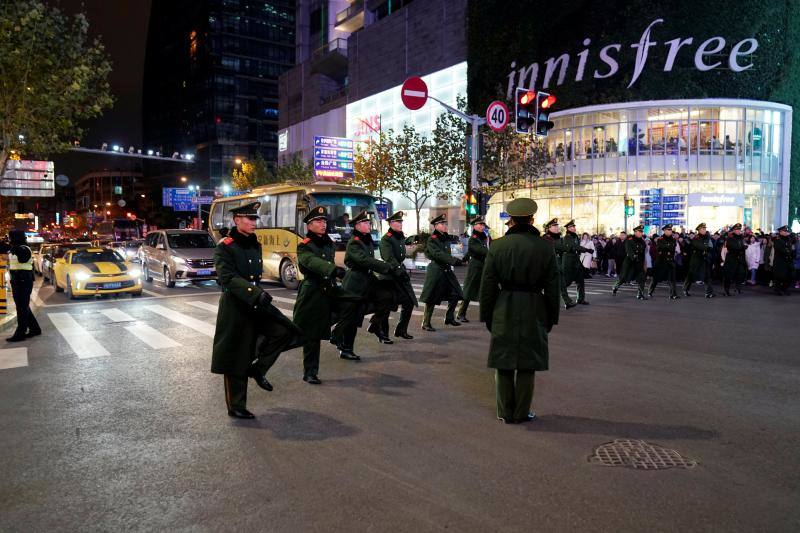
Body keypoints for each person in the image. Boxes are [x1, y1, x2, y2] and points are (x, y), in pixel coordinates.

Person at [211, 202, 305, 419]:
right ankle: (236, 405)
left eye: (255, 219)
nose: (254, 223)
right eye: (249, 219)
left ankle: (258, 369)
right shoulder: (225, 246)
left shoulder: (254, 244)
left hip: (255, 303)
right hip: (236, 307)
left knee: (284, 331)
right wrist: (254, 292)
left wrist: (257, 294)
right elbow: (227, 277)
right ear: (236, 220)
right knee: (236, 355)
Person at [479, 198, 559, 424]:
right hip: (534, 306)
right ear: (532, 220)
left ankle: (505, 411)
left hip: (504, 305)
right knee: (527, 363)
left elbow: (488, 286)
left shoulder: (497, 246)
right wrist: (552, 316)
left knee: (503, 361)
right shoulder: (545, 247)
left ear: (511, 220)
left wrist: (487, 315)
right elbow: (553, 286)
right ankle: (522, 412)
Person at [332, 210, 401, 358]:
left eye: (368, 222)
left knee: (387, 297)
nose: (368, 224)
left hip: (367, 279)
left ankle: (375, 325)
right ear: (357, 225)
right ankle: (345, 347)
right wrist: (385, 266)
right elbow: (364, 260)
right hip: (355, 282)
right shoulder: (354, 243)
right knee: (353, 316)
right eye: (365, 222)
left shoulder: (365, 239)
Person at [293, 206, 347, 385]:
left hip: (329, 289)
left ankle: (336, 335)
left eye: (324, 221)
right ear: (309, 225)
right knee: (311, 336)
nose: (323, 224)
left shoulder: (328, 242)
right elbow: (312, 262)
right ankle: (310, 372)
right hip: (313, 291)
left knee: (354, 303)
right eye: (318, 221)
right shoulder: (304, 246)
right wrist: (333, 270)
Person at [375, 210, 417, 339]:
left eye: (401, 221)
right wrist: (400, 270)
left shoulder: (400, 238)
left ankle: (401, 330)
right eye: (398, 222)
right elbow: (389, 258)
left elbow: (400, 256)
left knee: (409, 302)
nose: (400, 223)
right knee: (386, 306)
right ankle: (383, 333)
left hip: (399, 273)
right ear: (391, 223)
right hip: (389, 275)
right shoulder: (386, 239)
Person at [420, 214, 464, 331]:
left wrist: (460, 257)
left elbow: (452, 252)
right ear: (436, 226)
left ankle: (449, 318)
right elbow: (437, 254)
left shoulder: (446, 238)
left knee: (455, 294)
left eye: (446, 224)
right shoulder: (432, 239)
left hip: (447, 270)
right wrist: (454, 260)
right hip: (436, 271)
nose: (445, 226)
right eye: (442, 224)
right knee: (432, 298)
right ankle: (426, 323)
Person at [6, 230, 41, 342]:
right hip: (16, 280)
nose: (9, 239)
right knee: (23, 306)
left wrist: (14, 249)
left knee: (21, 307)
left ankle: (20, 333)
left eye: (11, 237)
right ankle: (35, 329)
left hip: (24, 280)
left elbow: (23, 259)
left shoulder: (24, 248)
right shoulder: (14, 248)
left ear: (16, 238)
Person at [457, 215, 490, 322]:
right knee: (469, 290)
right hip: (475, 267)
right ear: (474, 226)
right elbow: (479, 250)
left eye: (483, 224)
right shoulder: (473, 239)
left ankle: (485, 314)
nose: (482, 226)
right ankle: (461, 313)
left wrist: (464, 259)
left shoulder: (483, 237)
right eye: (480, 224)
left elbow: (470, 252)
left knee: (483, 290)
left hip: (483, 266)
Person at [541, 218, 574, 308]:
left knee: (562, 284)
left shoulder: (558, 238)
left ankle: (567, 301)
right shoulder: (546, 238)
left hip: (558, 265)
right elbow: (559, 248)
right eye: (554, 226)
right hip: (549, 266)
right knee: (547, 287)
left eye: (557, 226)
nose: (556, 228)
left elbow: (564, 248)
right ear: (548, 228)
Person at [556, 220, 590, 306]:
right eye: (572, 227)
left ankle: (580, 299)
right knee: (566, 282)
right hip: (569, 262)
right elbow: (574, 247)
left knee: (580, 281)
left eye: (574, 226)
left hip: (576, 262)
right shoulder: (567, 237)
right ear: (568, 228)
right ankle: (552, 293)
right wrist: (586, 250)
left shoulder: (574, 236)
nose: (574, 228)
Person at [612, 225, 648, 299]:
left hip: (639, 262)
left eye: (641, 232)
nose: (641, 233)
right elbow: (629, 250)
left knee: (641, 278)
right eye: (639, 231)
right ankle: (615, 286)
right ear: (635, 232)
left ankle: (640, 294)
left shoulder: (642, 242)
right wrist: (633, 256)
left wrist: (644, 262)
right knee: (623, 278)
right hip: (629, 262)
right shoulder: (630, 240)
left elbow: (643, 253)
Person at [683, 223, 716, 298]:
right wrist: (706, 247)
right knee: (691, 275)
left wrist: (707, 247)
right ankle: (685, 289)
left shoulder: (707, 238)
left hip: (704, 258)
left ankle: (708, 292)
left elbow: (711, 247)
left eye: (705, 229)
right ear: (699, 230)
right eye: (703, 229)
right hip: (696, 259)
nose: (704, 230)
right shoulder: (696, 238)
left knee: (707, 275)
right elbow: (701, 247)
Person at [648, 224, 680, 299]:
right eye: (668, 230)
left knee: (672, 279)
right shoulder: (660, 239)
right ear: (664, 231)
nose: (670, 231)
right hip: (661, 261)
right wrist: (668, 246)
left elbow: (672, 248)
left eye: (670, 230)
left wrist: (667, 247)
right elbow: (660, 247)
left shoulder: (673, 239)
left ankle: (673, 294)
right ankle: (650, 291)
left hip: (670, 261)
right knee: (655, 278)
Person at [722, 223, 747, 296]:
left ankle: (738, 288)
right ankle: (726, 290)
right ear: (733, 230)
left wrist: (743, 248)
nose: (739, 231)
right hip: (731, 259)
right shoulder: (730, 238)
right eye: (737, 229)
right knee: (728, 276)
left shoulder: (741, 238)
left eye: (739, 229)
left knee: (740, 274)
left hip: (739, 259)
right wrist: (742, 248)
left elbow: (743, 246)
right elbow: (733, 247)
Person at [770, 225, 796, 295]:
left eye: (786, 231)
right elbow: (782, 250)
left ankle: (784, 289)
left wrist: (791, 234)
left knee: (790, 276)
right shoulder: (777, 240)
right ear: (780, 232)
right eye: (784, 231)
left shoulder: (788, 239)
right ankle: (778, 290)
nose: (786, 232)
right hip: (780, 262)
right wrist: (789, 251)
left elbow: (794, 240)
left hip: (788, 261)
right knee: (780, 277)